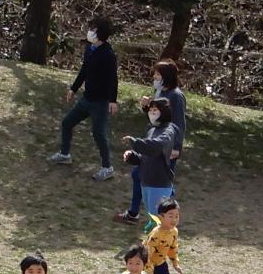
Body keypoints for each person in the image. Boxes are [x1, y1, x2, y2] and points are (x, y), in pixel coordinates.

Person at [115, 59, 188, 224]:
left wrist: (177, 148)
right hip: (154, 146)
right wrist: (146, 108)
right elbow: (157, 119)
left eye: (157, 74)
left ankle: (154, 216)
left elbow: (178, 125)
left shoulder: (176, 96)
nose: (154, 77)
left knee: (146, 177)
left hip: (165, 148)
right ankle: (153, 214)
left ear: (166, 76)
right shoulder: (161, 92)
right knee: (148, 177)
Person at [47, 17, 118, 179]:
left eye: (93, 29)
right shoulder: (90, 49)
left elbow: (113, 79)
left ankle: (107, 167)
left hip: (100, 102)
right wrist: (73, 88)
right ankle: (65, 155)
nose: (90, 32)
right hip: (86, 99)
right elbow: (84, 70)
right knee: (67, 123)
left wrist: (112, 100)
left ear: (101, 33)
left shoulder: (108, 54)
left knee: (99, 134)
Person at [119, 96, 181, 223]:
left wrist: (135, 142)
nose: (152, 113)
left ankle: (158, 243)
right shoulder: (153, 130)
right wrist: (132, 156)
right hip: (147, 181)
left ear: (164, 112)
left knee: (159, 222)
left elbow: (156, 146)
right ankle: (151, 242)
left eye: (155, 110)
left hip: (159, 184)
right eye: (150, 110)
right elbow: (146, 156)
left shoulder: (168, 131)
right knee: (153, 220)